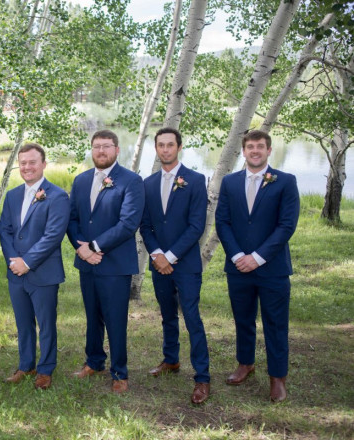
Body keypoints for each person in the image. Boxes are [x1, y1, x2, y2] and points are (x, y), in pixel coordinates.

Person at [215, 130, 300, 403]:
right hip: (238, 266)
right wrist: (238, 255)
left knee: (275, 323)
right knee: (243, 318)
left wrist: (258, 257)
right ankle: (245, 363)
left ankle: (277, 377)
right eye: (250, 147)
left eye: (260, 147)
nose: (254, 151)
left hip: (272, 268)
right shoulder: (229, 182)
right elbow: (223, 222)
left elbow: (286, 226)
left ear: (269, 150)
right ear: (243, 151)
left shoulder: (285, 181)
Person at [66, 129, 144, 393]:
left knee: (115, 319)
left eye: (107, 146)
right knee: (92, 316)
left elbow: (128, 223)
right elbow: (73, 219)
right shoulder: (80, 180)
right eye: (97, 146)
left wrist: (95, 246)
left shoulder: (131, 181)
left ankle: (120, 373)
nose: (101, 151)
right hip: (87, 262)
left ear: (117, 150)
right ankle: (94, 361)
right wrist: (82, 249)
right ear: (91, 149)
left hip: (115, 264)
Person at [140, 128, 210, 404]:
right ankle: (171, 360)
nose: (165, 149)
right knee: (167, 314)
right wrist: (157, 255)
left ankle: (202, 378)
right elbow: (145, 225)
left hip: (185, 263)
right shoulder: (148, 183)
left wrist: (170, 257)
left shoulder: (195, 180)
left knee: (191, 317)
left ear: (179, 147)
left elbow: (196, 226)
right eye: (161, 145)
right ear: (156, 148)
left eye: (170, 145)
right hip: (158, 264)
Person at [0, 143, 70, 390]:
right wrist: (13, 261)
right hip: (15, 272)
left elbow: (53, 235)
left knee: (46, 323)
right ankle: (26, 364)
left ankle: (45, 369)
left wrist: (27, 262)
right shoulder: (12, 195)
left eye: (32, 162)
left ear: (43, 164)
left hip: (43, 272)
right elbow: (5, 230)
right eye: (24, 163)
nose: (27, 167)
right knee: (23, 322)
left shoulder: (58, 196)